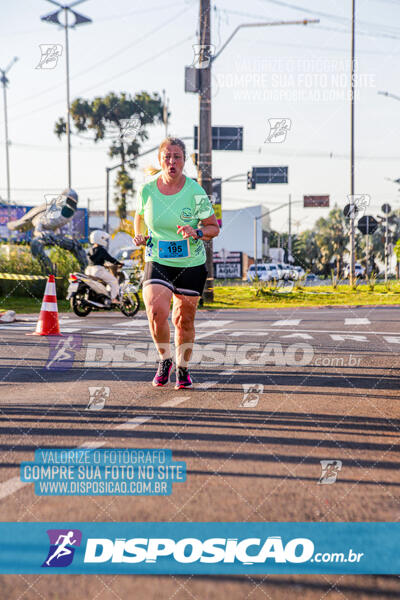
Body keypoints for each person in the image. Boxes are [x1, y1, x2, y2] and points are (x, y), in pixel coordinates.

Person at [134, 136, 219, 389]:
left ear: (184, 161)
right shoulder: (147, 189)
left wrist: (198, 233)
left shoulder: (195, 191)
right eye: (167, 157)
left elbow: (214, 227)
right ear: (160, 160)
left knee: (183, 320)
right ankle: (164, 359)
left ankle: (182, 368)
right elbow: (139, 215)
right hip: (158, 257)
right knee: (155, 310)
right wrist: (140, 235)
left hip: (190, 262)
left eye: (177, 157)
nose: (172, 161)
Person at [85, 230, 123, 304]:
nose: (105, 240)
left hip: (88, 270)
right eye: (103, 238)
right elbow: (109, 258)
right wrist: (118, 263)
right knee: (114, 281)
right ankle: (113, 299)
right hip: (98, 271)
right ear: (99, 238)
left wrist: (103, 264)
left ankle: (102, 297)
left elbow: (93, 260)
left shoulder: (90, 249)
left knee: (101, 283)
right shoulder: (101, 250)